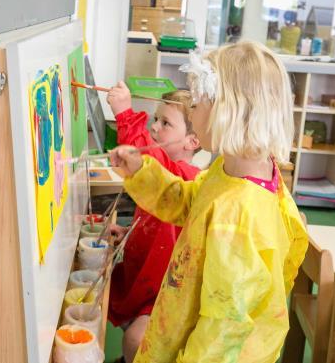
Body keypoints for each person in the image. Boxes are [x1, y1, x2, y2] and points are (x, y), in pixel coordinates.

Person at [110, 42, 308, 363]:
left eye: (198, 103)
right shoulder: (232, 169)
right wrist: (142, 172)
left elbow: (221, 337)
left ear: (229, 112)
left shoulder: (240, 218)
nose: (192, 110)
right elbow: (190, 202)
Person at [106, 83, 200, 363]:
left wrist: (124, 114)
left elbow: (150, 160)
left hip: (164, 291)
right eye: (155, 119)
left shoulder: (186, 176)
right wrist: (127, 234)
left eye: (166, 123)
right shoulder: (166, 172)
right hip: (143, 275)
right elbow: (158, 225)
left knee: (135, 340)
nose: (155, 127)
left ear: (192, 142)